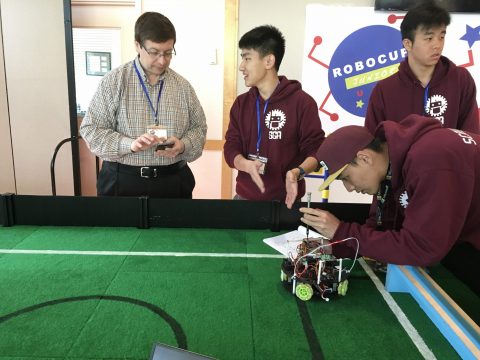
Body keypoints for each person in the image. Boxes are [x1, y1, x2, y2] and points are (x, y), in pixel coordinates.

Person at [299, 114, 480, 275]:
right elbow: (381, 228)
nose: (350, 188)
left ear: (364, 158)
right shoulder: (392, 164)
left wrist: (341, 230)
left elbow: (423, 248)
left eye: (346, 178)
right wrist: (334, 247)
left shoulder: (432, 160)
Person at [80, 12, 207, 198]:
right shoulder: (114, 82)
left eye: (168, 53)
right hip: (121, 180)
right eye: (155, 52)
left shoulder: (183, 87)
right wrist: (129, 144)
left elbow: (199, 128)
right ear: (138, 45)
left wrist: (183, 145)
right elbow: (91, 130)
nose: (162, 60)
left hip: (173, 181)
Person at [223, 25, 325, 209]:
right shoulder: (241, 104)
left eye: (247, 58)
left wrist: (297, 172)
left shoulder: (302, 103)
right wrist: (245, 164)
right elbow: (231, 146)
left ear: (269, 61)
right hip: (243, 201)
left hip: (287, 203)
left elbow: (316, 150)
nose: (241, 66)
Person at [365, 1, 479, 134]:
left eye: (441, 37)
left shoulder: (460, 79)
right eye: (429, 38)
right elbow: (373, 146)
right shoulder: (384, 90)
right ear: (408, 44)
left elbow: (471, 138)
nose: (437, 45)